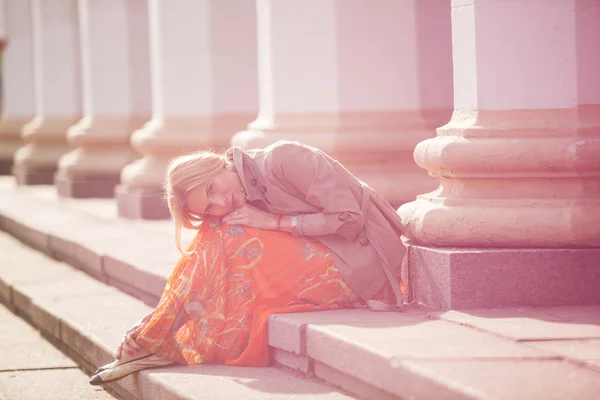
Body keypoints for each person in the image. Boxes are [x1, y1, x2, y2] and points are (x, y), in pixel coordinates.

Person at [89, 140, 407, 385]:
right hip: (327, 252)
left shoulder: (284, 158)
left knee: (234, 235)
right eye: (209, 206)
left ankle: (153, 336)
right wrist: (266, 221)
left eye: (212, 189)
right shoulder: (242, 195)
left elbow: (348, 219)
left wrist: (275, 222)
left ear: (218, 165)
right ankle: (157, 333)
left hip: (365, 258)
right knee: (219, 230)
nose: (220, 202)